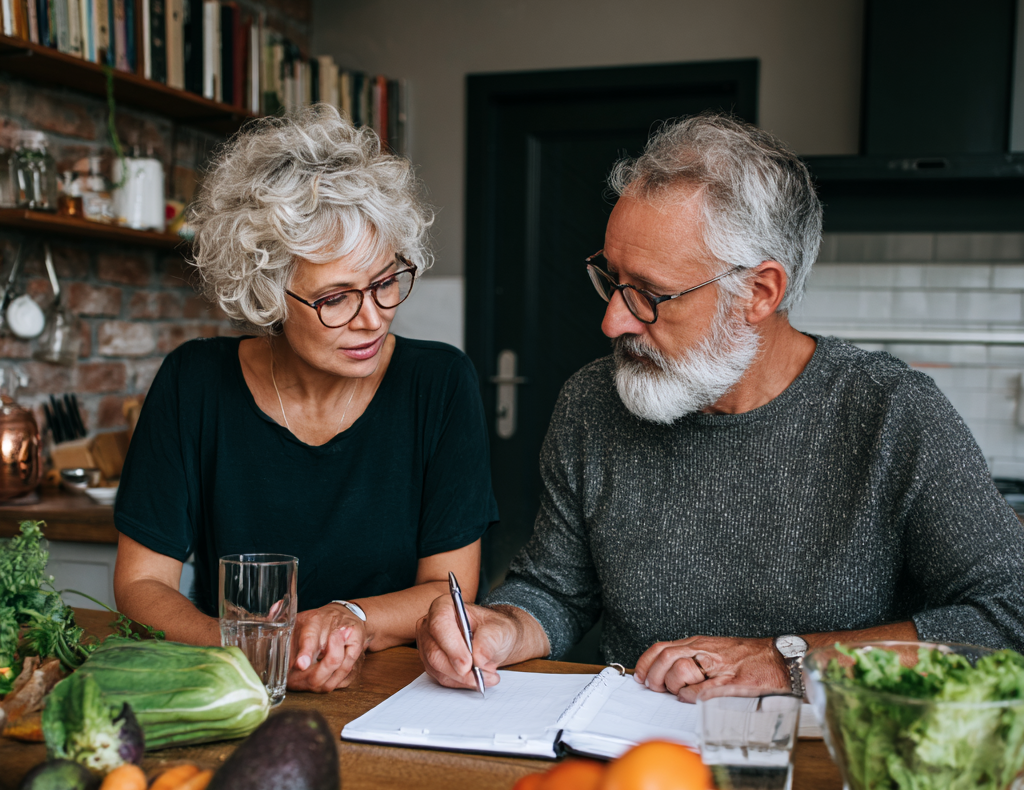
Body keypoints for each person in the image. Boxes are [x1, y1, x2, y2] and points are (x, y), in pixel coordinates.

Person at [417, 113, 1024, 701]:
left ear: (759, 293)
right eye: (611, 279)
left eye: (650, 295)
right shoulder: (592, 403)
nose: (611, 320)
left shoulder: (892, 413)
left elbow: (1008, 616)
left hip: (827, 769)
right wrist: (499, 626)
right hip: (641, 765)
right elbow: (556, 590)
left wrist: (788, 658)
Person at [114, 105, 497, 692]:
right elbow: (142, 584)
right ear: (266, 293)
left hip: (389, 691)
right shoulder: (194, 383)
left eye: (386, 281)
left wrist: (352, 620)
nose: (373, 319)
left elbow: (449, 586)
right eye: (336, 297)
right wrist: (257, 648)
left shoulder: (440, 383)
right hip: (231, 687)